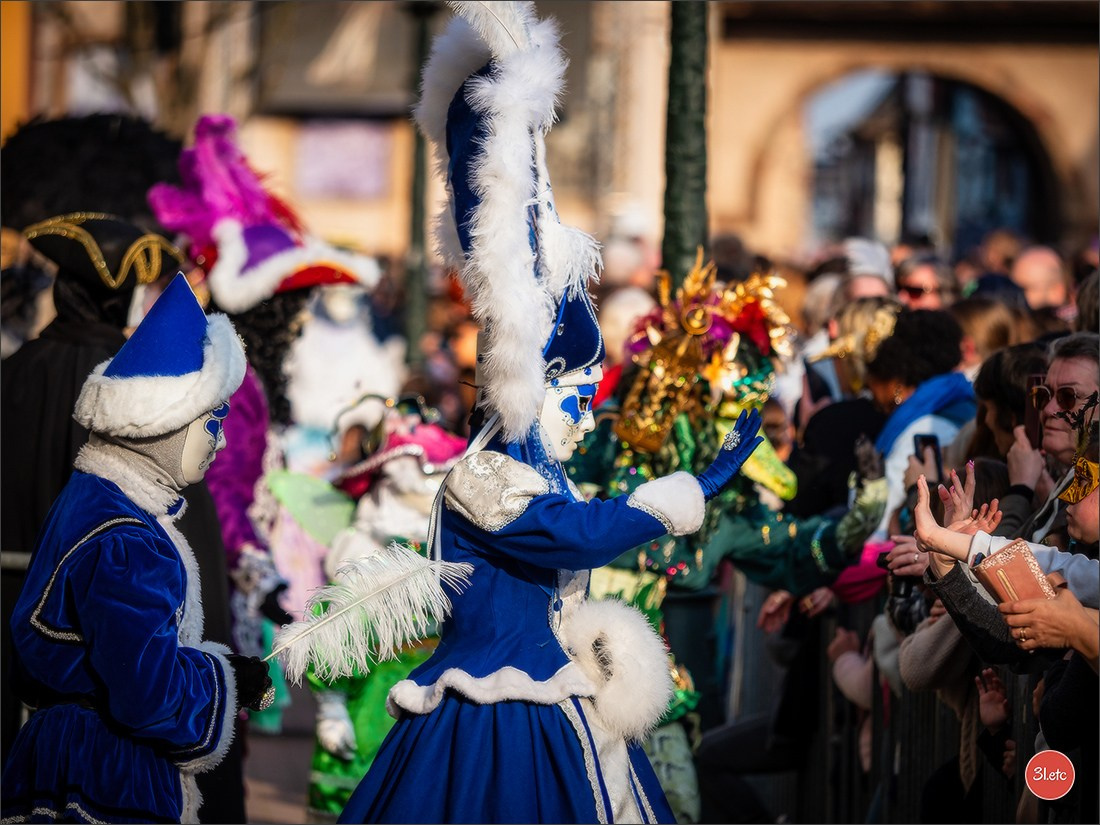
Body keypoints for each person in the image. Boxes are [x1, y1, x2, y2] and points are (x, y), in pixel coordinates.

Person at [1, 274, 273, 823]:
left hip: (73, 751)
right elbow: (146, 694)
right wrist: (226, 679)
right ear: (165, 424)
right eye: (211, 421)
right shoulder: (125, 538)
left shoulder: (95, 496)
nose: (219, 440)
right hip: (107, 771)